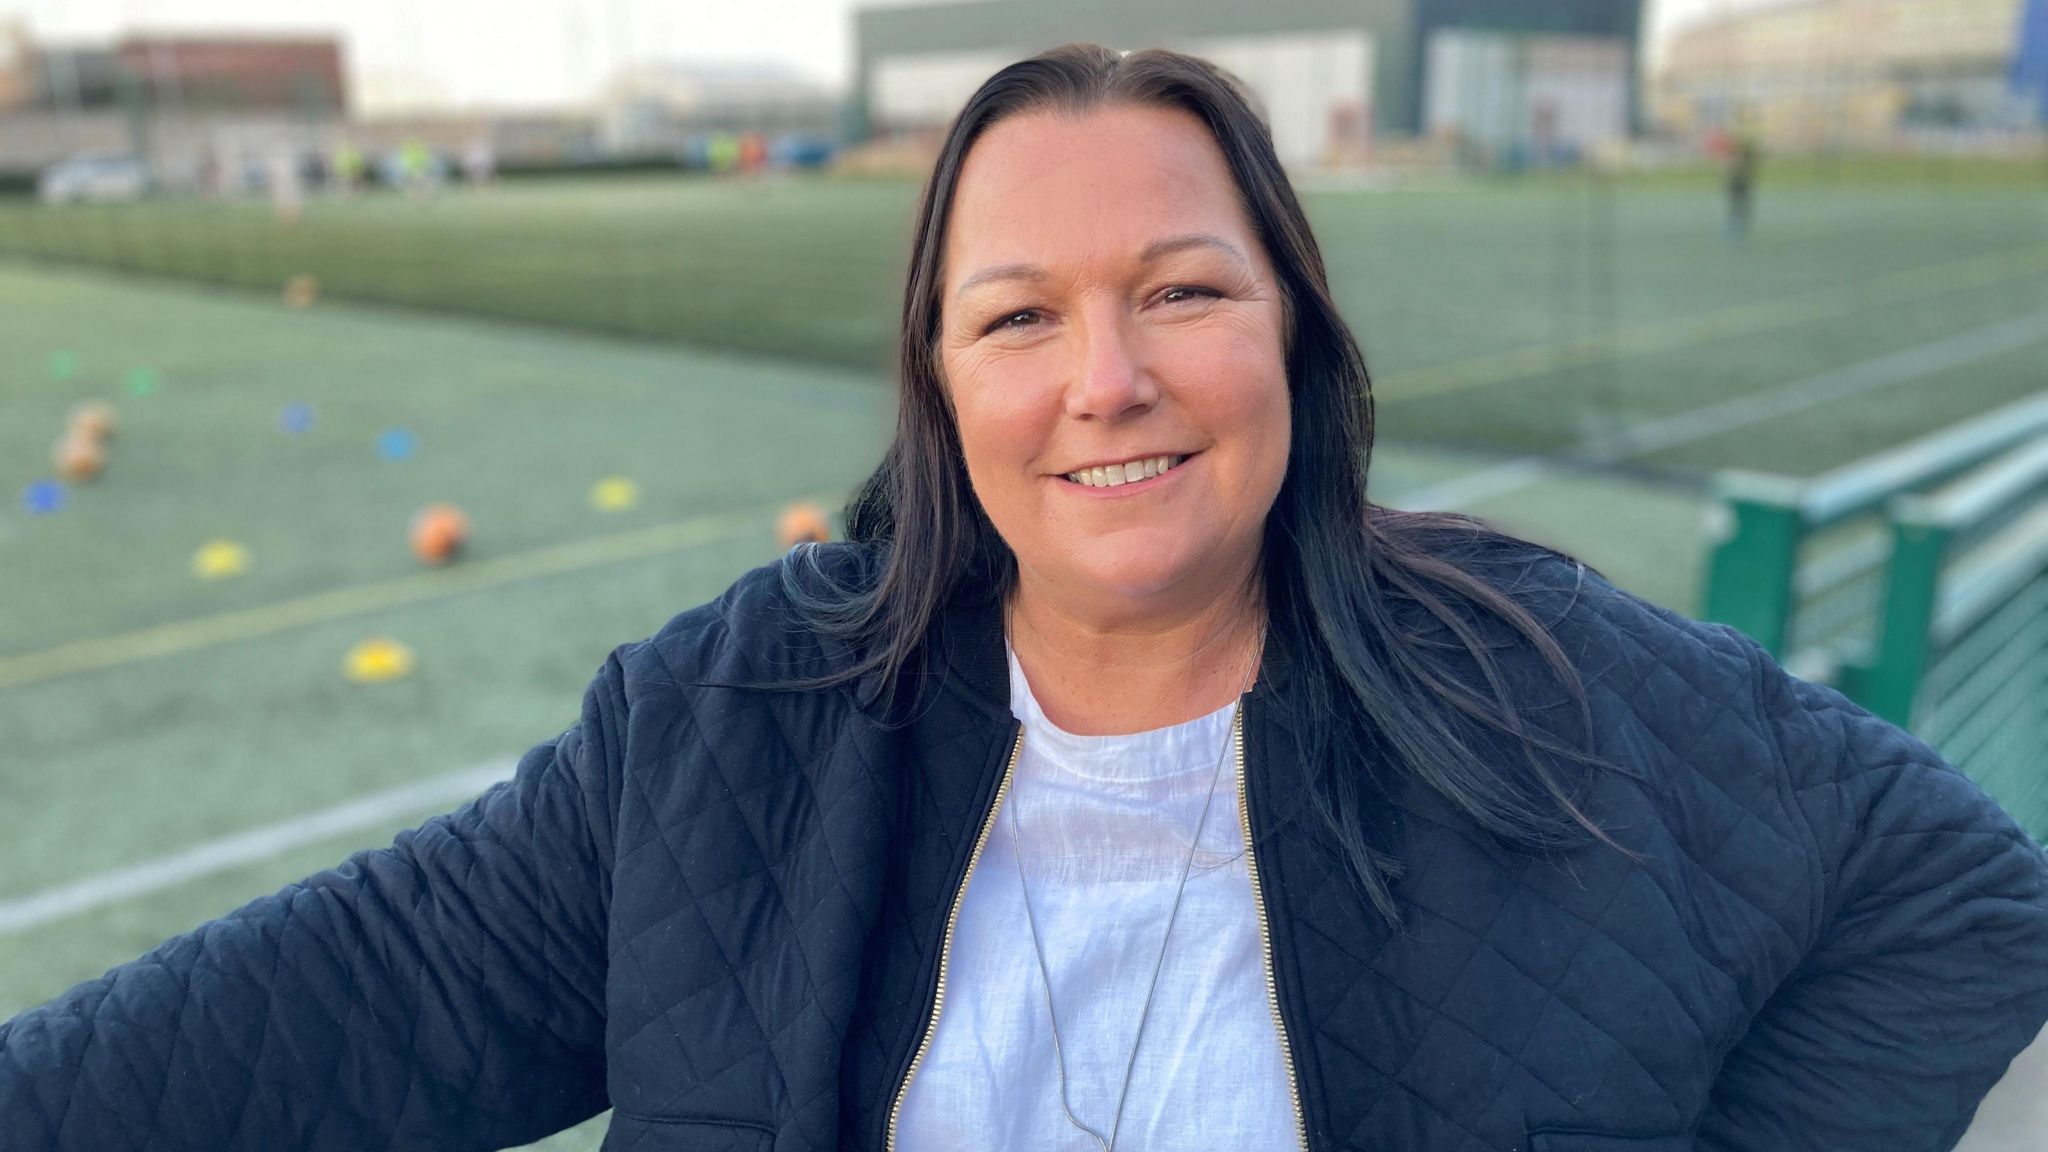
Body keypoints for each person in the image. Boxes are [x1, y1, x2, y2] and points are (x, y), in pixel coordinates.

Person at [5, 44, 2047, 1152]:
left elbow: (1958, 902)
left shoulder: (1543, 679)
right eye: (1018, 318)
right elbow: (369, 997)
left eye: (1180, 292)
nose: (1107, 381)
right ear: (938, 383)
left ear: (1291, 337)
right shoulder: (732, 719)